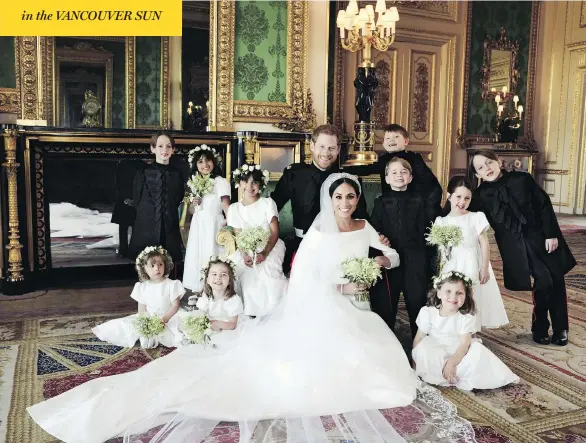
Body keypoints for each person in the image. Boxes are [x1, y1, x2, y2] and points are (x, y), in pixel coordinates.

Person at [27, 173, 476, 443]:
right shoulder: (319, 234)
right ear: (330, 200)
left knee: (386, 367)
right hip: (325, 307)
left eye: (351, 197)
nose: (345, 203)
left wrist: (378, 259)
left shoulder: (365, 225)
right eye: (339, 197)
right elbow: (305, 278)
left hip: (357, 307)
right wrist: (339, 285)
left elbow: (391, 255)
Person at [470, 149, 575, 346]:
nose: (487, 168)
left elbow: (544, 205)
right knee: (545, 280)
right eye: (481, 168)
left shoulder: (522, 179)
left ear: (498, 162)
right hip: (514, 246)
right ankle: (541, 325)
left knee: (556, 279)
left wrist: (551, 234)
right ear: (477, 175)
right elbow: (466, 212)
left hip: (541, 236)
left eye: (489, 163)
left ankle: (561, 328)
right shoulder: (481, 195)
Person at [271, 124, 368, 272]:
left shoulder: (348, 178)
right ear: (312, 146)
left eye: (331, 148)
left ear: (338, 149)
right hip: (302, 245)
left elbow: (361, 216)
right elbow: (273, 206)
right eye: (321, 146)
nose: (326, 153)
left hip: (339, 246)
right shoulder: (294, 174)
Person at [412, 271, 519, 391]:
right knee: (422, 348)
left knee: (478, 351)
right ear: (439, 293)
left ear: (465, 296)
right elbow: (419, 338)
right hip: (435, 349)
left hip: (459, 352)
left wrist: (452, 362)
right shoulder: (428, 312)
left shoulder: (465, 317)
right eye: (448, 291)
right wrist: (415, 362)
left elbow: (464, 344)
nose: (453, 297)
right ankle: (440, 373)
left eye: (459, 293)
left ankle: (453, 372)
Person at [432, 176, 508, 329]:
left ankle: (471, 331)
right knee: (452, 296)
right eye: (458, 197)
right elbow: (440, 249)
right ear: (449, 196)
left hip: (473, 262)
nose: (462, 201)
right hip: (452, 264)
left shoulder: (475, 217)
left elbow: (484, 243)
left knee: (472, 296)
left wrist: (484, 267)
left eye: (467, 198)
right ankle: (454, 329)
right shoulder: (441, 221)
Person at [369, 157, 431, 334]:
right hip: (390, 258)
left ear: (410, 178)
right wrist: (380, 237)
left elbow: (427, 228)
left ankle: (419, 342)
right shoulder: (380, 202)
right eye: (394, 172)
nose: (399, 176)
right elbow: (374, 228)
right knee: (386, 302)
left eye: (404, 172)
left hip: (415, 257)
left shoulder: (420, 201)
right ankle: (386, 340)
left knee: (417, 300)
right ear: (387, 178)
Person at [92, 246, 185, 349]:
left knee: (179, 329)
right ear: (144, 268)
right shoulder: (142, 287)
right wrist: (145, 322)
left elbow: (175, 305)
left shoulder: (172, 284)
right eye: (152, 265)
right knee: (126, 325)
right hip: (150, 317)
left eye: (160, 264)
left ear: (165, 265)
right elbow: (142, 309)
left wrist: (164, 319)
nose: (157, 269)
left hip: (169, 317)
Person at [344, 124, 442, 220]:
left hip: (413, 201)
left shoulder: (414, 157)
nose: (391, 140)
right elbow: (366, 169)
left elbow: (427, 179)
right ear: (383, 144)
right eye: (387, 138)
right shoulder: (383, 159)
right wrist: (344, 169)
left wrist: (424, 201)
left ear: (406, 141)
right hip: (391, 202)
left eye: (396, 137)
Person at [227, 164, 287, 317]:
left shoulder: (268, 203)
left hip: (269, 246)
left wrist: (264, 253)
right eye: (245, 181)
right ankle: (251, 313)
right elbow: (239, 236)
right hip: (246, 247)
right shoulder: (234, 208)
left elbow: (274, 232)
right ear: (239, 183)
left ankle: (274, 312)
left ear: (260, 184)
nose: (249, 186)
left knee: (268, 277)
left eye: (254, 182)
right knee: (247, 276)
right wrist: (244, 254)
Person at [128, 131, 186, 265]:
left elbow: (178, 197)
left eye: (168, 146)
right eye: (160, 146)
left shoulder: (177, 174)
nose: (164, 150)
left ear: (173, 150)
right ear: (152, 148)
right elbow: (136, 198)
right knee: (146, 262)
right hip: (146, 224)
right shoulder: (143, 172)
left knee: (168, 261)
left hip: (169, 224)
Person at [182, 145, 231, 291]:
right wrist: (193, 203)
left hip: (213, 225)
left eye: (208, 160)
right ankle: (199, 289)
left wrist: (229, 224)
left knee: (212, 253)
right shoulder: (194, 183)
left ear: (214, 162)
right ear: (195, 165)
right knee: (198, 255)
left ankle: (214, 289)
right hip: (199, 225)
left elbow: (226, 206)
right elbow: (192, 210)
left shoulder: (220, 181)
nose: (205, 165)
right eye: (200, 162)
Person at [182, 256, 244, 347]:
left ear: (230, 280)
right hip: (211, 328)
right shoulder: (206, 296)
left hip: (228, 330)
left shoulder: (233, 300)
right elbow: (201, 313)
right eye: (214, 274)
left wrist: (215, 323)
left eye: (223, 274)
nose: (218, 277)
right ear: (207, 279)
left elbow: (232, 325)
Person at [111, 159, 144, 258]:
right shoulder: (126, 164)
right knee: (127, 226)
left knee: (129, 226)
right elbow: (119, 182)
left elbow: (118, 183)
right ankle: (126, 249)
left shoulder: (126, 164)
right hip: (128, 198)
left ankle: (127, 250)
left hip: (132, 198)